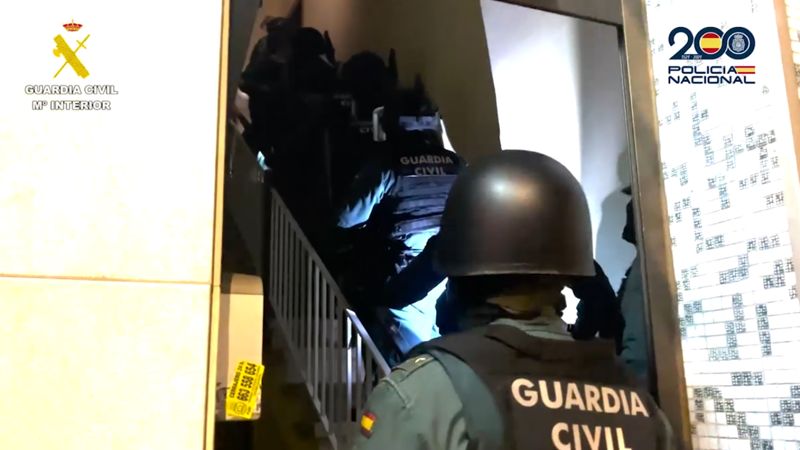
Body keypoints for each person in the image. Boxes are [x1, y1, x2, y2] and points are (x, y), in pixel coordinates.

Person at [351, 150, 675, 450]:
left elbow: (400, 293)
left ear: (459, 280)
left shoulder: (422, 395)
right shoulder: (639, 404)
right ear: (568, 272)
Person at [331, 83, 464, 364]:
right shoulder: (457, 164)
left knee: (407, 362)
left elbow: (347, 218)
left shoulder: (386, 164)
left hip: (403, 277)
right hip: (451, 272)